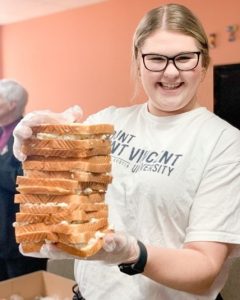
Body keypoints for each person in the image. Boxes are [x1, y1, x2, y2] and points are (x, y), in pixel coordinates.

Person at [12, 3, 240, 300]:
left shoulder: (223, 142)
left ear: (204, 62)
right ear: (138, 61)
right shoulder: (107, 122)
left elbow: (205, 267)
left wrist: (134, 253)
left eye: (184, 58)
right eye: (156, 59)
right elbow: (54, 185)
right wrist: (36, 141)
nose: (171, 72)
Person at [0, 79, 48, 280]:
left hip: (19, 233)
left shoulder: (30, 134)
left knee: (22, 287)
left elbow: (24, 180)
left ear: (11, 104)